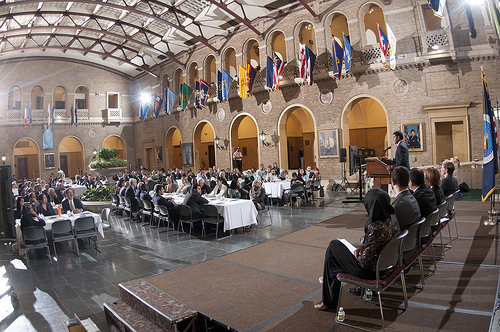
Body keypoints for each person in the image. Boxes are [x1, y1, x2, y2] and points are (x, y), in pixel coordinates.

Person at [314, 188, 401, 311]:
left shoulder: (376, 227)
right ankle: (329, 283)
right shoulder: (392, 218)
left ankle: (329, 299)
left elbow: (363, 262)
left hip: (371, 271)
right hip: (387, 264)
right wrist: (364, 245)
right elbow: (377, 243)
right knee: (333, 262)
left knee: (333, 247)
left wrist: (356, 251)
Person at [391, 166, 420, 230]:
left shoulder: (396, 205)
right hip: (413, 236)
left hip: (404, 238)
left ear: (393, 182)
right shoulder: (413, 198)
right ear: (409, 181)